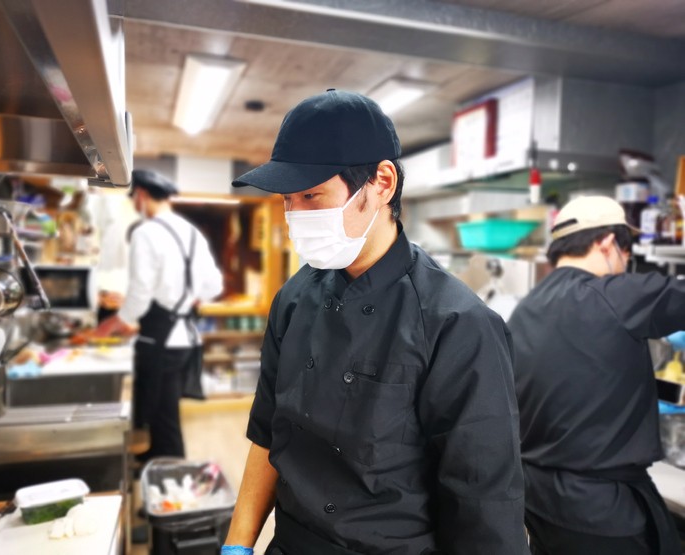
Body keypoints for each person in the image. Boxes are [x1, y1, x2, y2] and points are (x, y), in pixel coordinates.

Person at [222, 89, 529, 555]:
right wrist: (238, 545)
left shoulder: (457, 324)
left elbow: (484, 507)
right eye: (287, 200)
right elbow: (267, 433)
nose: (295, 216)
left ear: (382, 183)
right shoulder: (294, 298)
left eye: (311, 195)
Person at [507, 195, 685, 555]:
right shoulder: (614, 295)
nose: (624, 265)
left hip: (537, 498)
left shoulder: (525, 308)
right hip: (600, 509)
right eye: (626, 253)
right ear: (607, 243)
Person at [94, 169, 223, 460]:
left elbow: (141, 294)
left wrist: (115, 322)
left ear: (141, 195)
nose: (135, 205)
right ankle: (154, 454)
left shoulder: (146, 232)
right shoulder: (191, 233)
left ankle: (171, 468)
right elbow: (214, 285)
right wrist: (186, 300)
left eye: (134, 199)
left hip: (160, 340)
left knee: (164, 414)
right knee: (160, 407)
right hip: (185, 338)